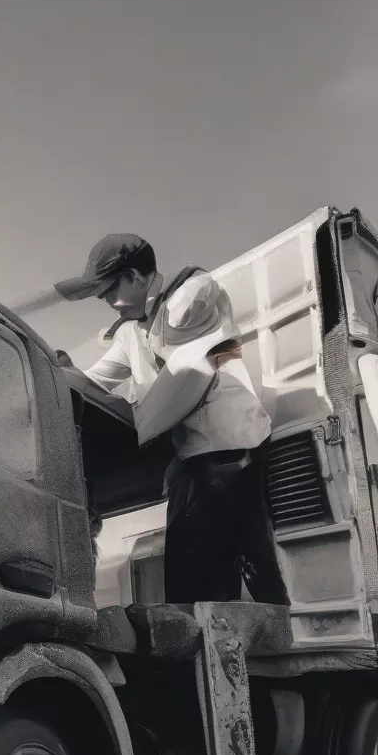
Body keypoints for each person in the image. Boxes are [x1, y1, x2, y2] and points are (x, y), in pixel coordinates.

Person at [55, 234, 289, 606]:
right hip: (196, 455)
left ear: (133, 276)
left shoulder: (189, 298)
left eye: (107, 292)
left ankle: (236, 638)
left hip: (228, 447)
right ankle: (247, 632)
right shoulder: (131, 332)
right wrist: (56, 371)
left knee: (198, 573)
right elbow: (95, 380)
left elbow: (200, 297)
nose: (106, 303)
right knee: (230, 558)